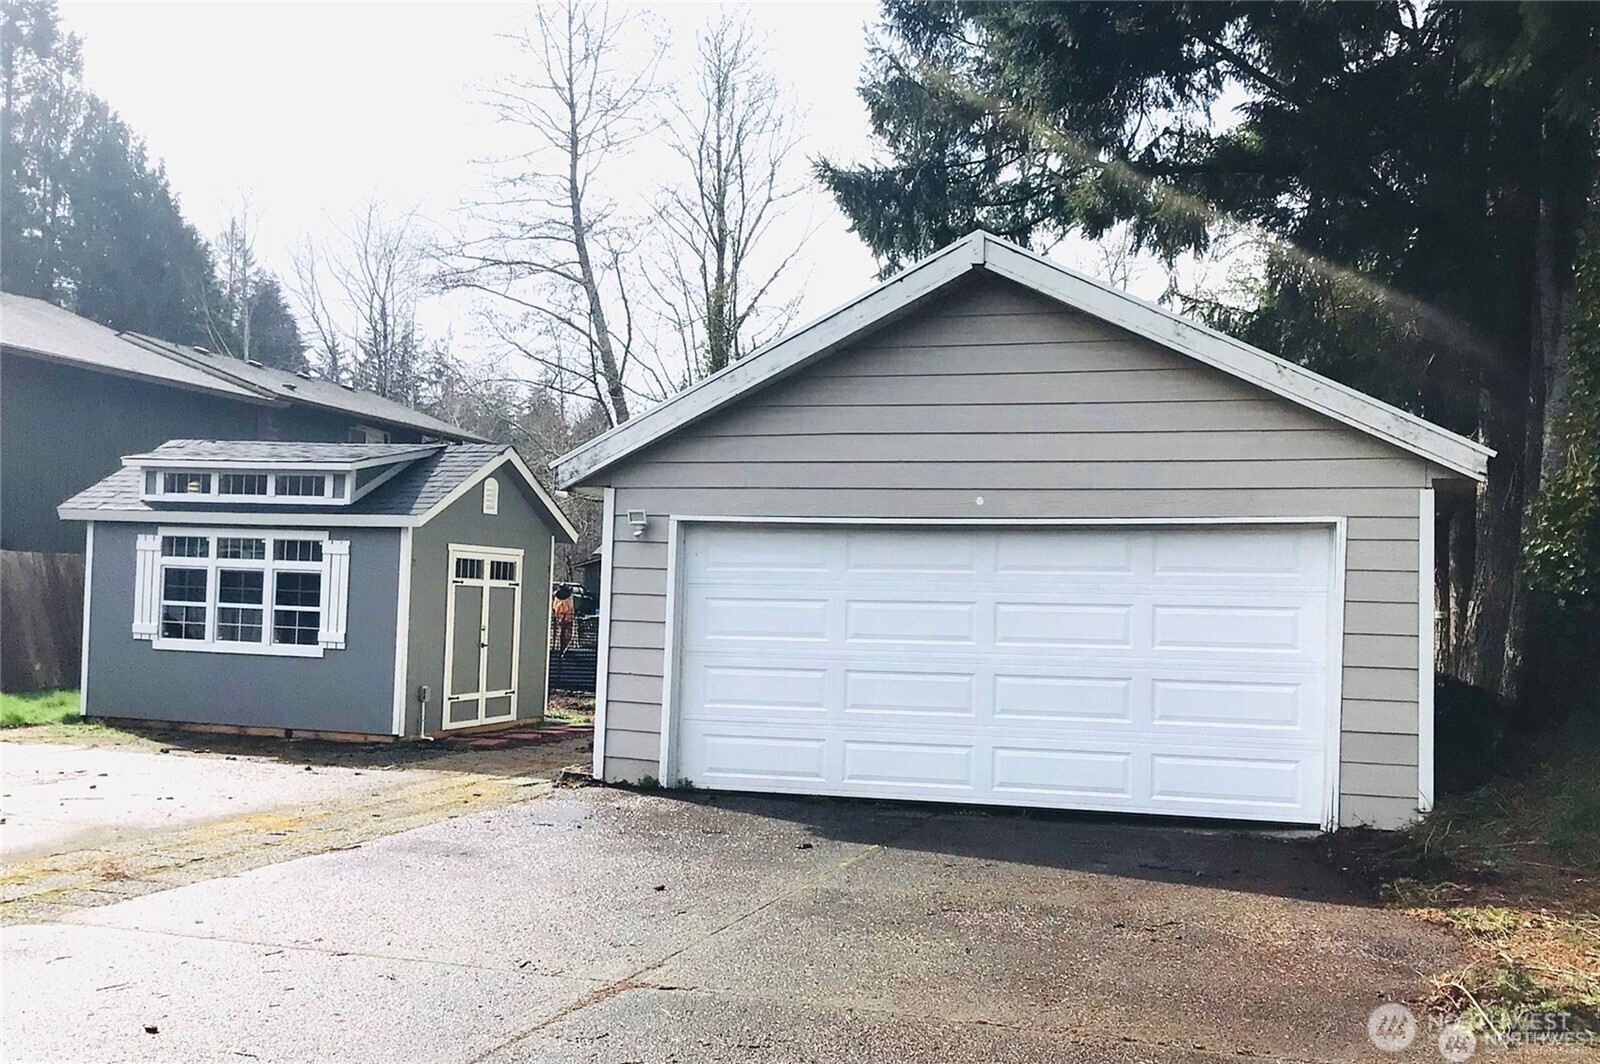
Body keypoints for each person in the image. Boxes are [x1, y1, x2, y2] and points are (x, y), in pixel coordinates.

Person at [551, 584, 577, 654]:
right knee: (559, 635)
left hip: (567, 619)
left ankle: (564, 650)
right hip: (561, 618)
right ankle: (558, 650)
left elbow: (570, 608)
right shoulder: (557, 596)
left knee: (567, 635)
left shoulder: (569, 597)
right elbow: (554, 608)